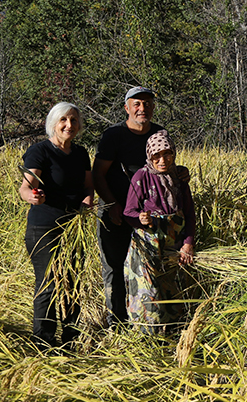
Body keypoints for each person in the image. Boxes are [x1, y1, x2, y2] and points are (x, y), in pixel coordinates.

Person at [18, 102, 94, 350]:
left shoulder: (81, 153)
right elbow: (26, 187)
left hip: (74, 229)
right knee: (48, 283)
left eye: (73, 120)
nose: (69, 125)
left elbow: (88, 186)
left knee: (72, 283)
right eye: (63, 120)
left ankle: (72, 340)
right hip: (44, 228)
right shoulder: (40, 151)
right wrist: (33, 197)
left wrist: (88, 200)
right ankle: (44, 343)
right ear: (53, 123)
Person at [92, 87, 165, 326]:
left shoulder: (159, 133)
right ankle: (117, 321)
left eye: (147, 104)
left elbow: (165, 167)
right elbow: (98, 174)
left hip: (147, 215)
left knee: (147, 267)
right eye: (137, 104)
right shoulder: (114, 135)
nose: (143, 108)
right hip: (115, 211)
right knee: (114, 266)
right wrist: (112, 205)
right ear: (127, 108)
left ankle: (145, 319)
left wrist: (181, 172)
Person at [123, 130, 195, 333]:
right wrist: (140, 219)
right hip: (148, 247)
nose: (162, 160)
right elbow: (129, 212)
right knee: (149, 294)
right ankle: (147, 337)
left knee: (173, 291)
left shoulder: (179, 178)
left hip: (173, 246)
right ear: (149, 156)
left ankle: (174, 335)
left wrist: (188, 244)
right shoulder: (142, 176)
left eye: (167, 154)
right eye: (157, 156)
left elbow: (189, 214)